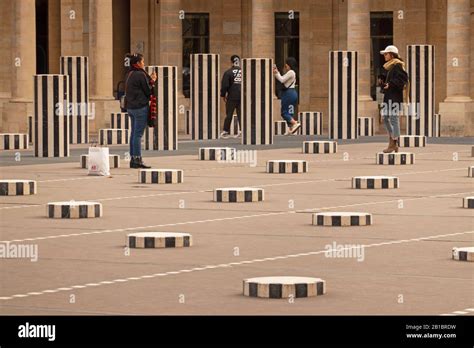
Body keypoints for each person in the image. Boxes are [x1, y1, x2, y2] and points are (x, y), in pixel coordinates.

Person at [124, 53, 156, 168]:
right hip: (140, 107)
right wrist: (152, 80)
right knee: (138, 134)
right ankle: (137, 159)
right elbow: (148, 91)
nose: (144, 63)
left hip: (131, 108)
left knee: (133, 134)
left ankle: (133, 160)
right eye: (142, 62)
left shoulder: (129, 74)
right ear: (137, 63)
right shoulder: (140, 75)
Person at [380, 45, 409, 153]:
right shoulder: (390, 66)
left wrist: (391, 84)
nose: (384, 56)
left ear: (392, 55)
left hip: (394, 97)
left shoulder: (397, 65)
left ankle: (394, 142)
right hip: (389, 96)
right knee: (385, 118)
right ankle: (393, 139)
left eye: (386, 54)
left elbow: (403, 80)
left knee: (393, 119)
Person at [273, 57, 301, 135]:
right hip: (293, 93)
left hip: (288, 93)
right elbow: (283, 79)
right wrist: (276, 72)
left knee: (284, 113)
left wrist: (276, 72)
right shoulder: (293, 72)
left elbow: (282, 80)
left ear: (289, 64)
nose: (285, 66)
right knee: (290, 112)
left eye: (286, 64)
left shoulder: (291, 72)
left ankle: (295, 123)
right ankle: (291, 129)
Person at [220, 55, 242, 139]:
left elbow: (225, 85)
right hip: (242, 96)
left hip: (232, 96)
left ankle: (226, 131)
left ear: (231, 62)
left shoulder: (228, 72)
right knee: (241, 114)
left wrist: (223, 95)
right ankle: (242, 131)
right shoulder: (244, 71)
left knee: (229, 114)